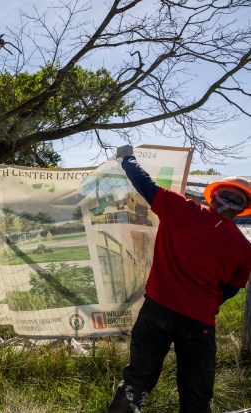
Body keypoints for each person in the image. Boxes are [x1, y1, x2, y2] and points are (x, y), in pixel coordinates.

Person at [108, 145, 251, 413]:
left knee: (137, 381)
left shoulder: (181, 209)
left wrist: (127, 158)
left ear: (213, 198)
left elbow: (144, 183)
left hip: (158, 310)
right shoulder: (244, 248)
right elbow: (231, 289)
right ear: (241, 210)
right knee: (196, 392)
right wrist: (201, 301)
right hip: (200, 323)